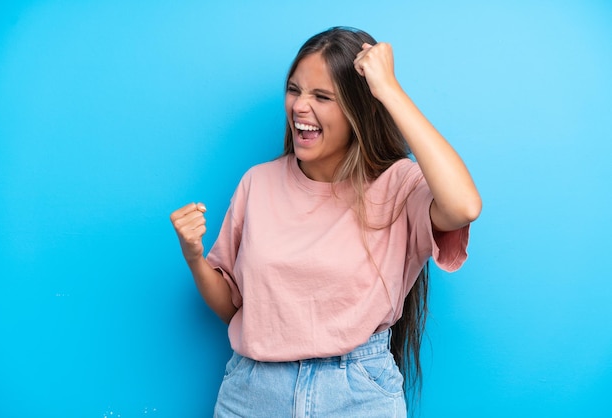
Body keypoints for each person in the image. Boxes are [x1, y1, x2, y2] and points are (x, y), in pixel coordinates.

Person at [170, 26, 481, 417]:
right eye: (295, 90)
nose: (300, 106)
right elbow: (235, 308)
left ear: (359, 109)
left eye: (322, 96)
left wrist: (389, 90)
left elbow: (464, 206)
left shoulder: (398, 186)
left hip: (358, 394)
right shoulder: (258, 183)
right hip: (253, 393)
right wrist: (194, 256)